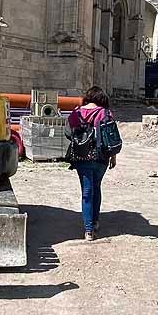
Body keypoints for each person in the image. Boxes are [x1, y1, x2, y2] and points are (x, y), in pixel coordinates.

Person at [66, 85, 116, 241]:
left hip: (82, 158)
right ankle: (94, 222)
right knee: (96, 187)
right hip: (101, 158)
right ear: (101, 98)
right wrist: (113, 156)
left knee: (86, 192)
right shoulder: (105, 113)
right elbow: (112, 136)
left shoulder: (75, 113)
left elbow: (68, 133)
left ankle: (88, 231)